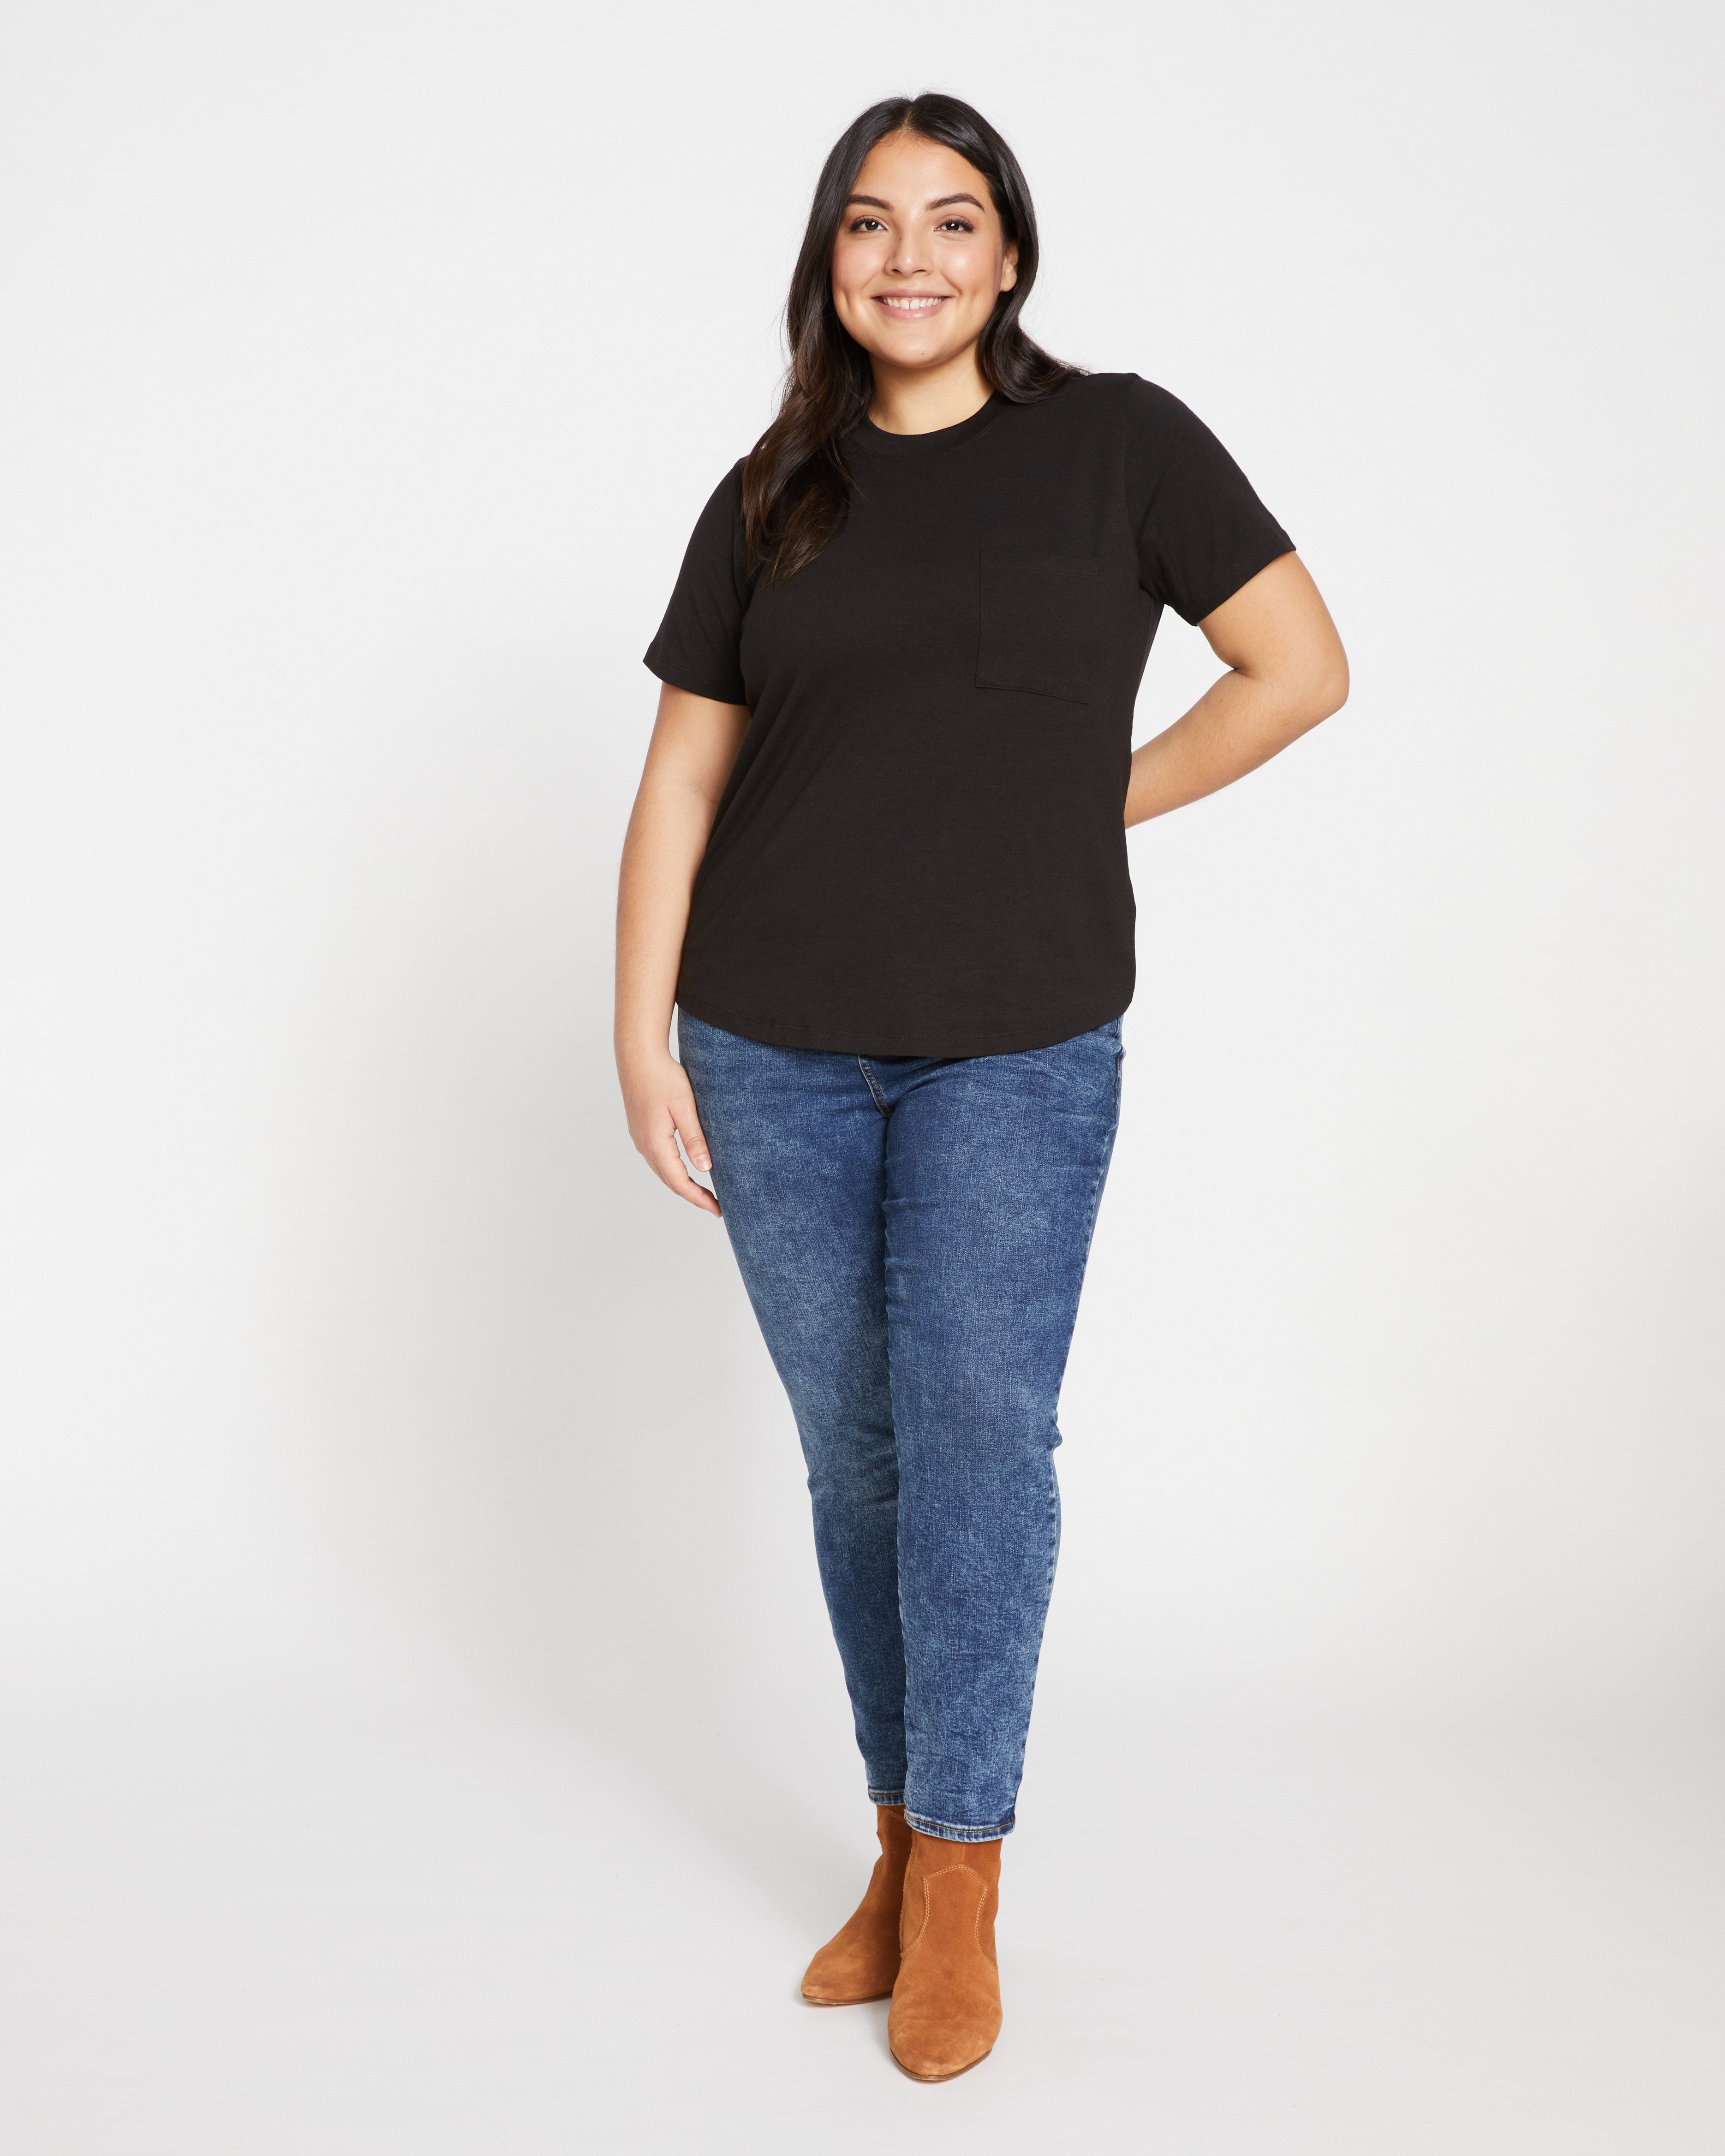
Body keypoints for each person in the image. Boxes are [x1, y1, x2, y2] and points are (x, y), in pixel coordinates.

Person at [614, 90, 1348, 2082]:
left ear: (1008, 253)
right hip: (765, 1038)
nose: (908, 256)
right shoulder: (773, 487)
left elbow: (1297, 667)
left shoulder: (1121, 443)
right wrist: (637, 1027)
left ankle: (960, 1873)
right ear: (828, 260)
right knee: (855, 1458)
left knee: (975, 1435)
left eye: (950, 220)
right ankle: (893, 1836)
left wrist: (1082, 806)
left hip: (1014, 1035)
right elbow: (681, 776)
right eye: (869, 223)